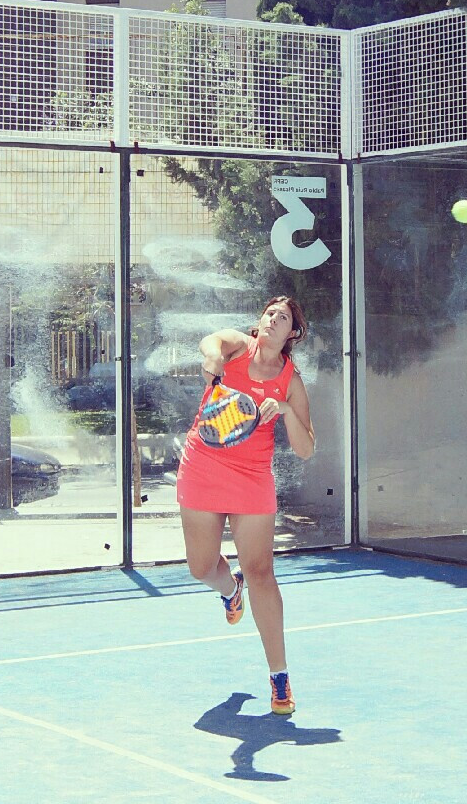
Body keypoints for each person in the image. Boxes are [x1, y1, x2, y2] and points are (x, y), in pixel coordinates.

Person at [177, 295, 315, 715]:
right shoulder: (239, 346)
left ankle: (279, 677)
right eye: (269, 313)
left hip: (252, 478)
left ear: (293, 332)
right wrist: (212, 359)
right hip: (203, 465)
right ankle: (230, 590)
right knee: (201, 568)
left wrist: (286, 409)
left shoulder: (291, 381)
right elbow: (213, 341)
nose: (273, 319)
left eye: (282, 317)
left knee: (262, 573)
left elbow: (306, 448)